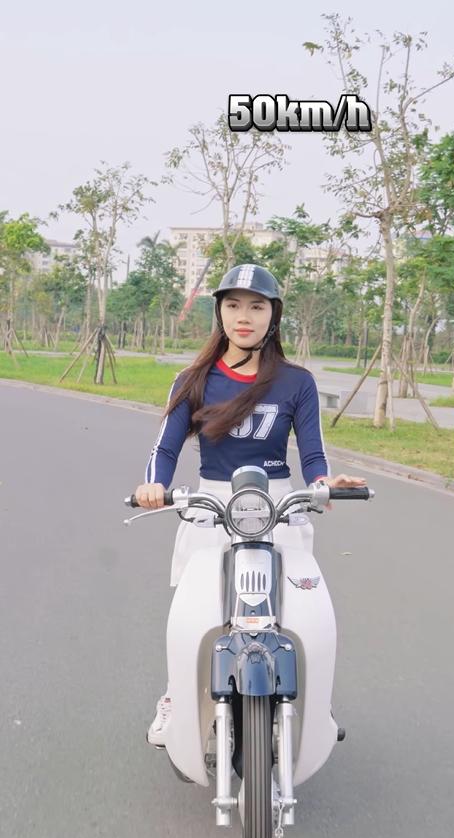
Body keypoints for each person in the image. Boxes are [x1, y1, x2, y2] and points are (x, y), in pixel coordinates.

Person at [134, 263, 366, 746]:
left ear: (272, 316)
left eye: (257, 307)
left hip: (278, 502)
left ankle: (315, 703)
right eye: (234, 305)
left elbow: (313, 452)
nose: (244, 317)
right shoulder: (193, 380)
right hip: (211, 503)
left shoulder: (296, 382)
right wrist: (154, 485)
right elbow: (166, 448)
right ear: (219, 312)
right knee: (195, 613)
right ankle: (175, 696)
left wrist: (324, 483)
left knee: (297, 611)